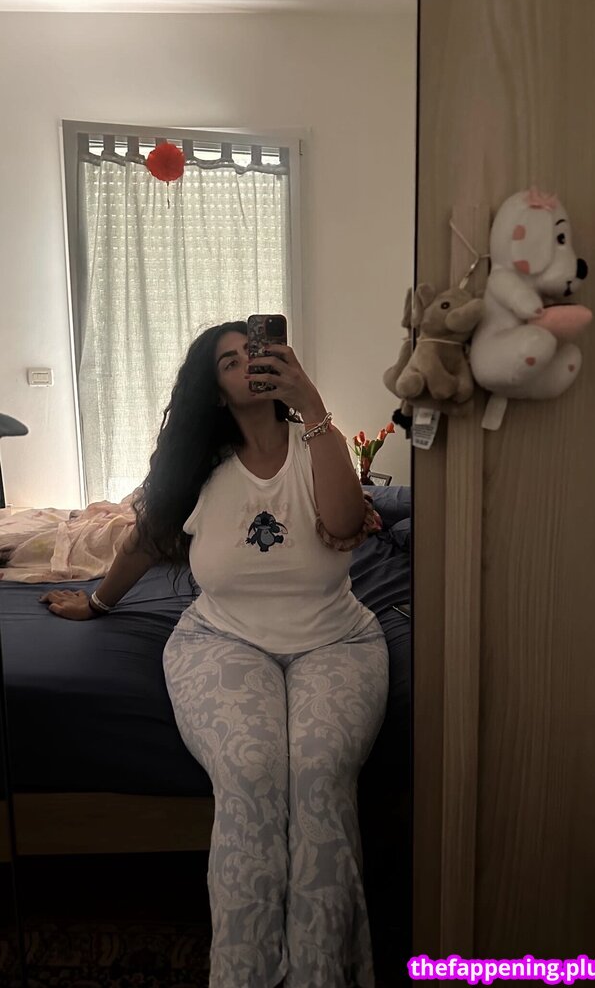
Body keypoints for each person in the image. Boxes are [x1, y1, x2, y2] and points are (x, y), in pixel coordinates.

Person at [41, 321, 389, 988]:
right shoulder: (199, 469)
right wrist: (99, 603)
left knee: (320, 772)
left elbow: (347, 524)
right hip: (222, 641)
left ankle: (322, 972)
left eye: (256, 353)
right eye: (231, 361)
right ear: (215, 389)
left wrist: (312, 405)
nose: (248, 366)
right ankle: (243, 974)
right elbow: (144, 542)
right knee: (252, 769)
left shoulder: (318, 444)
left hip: (336, 641)